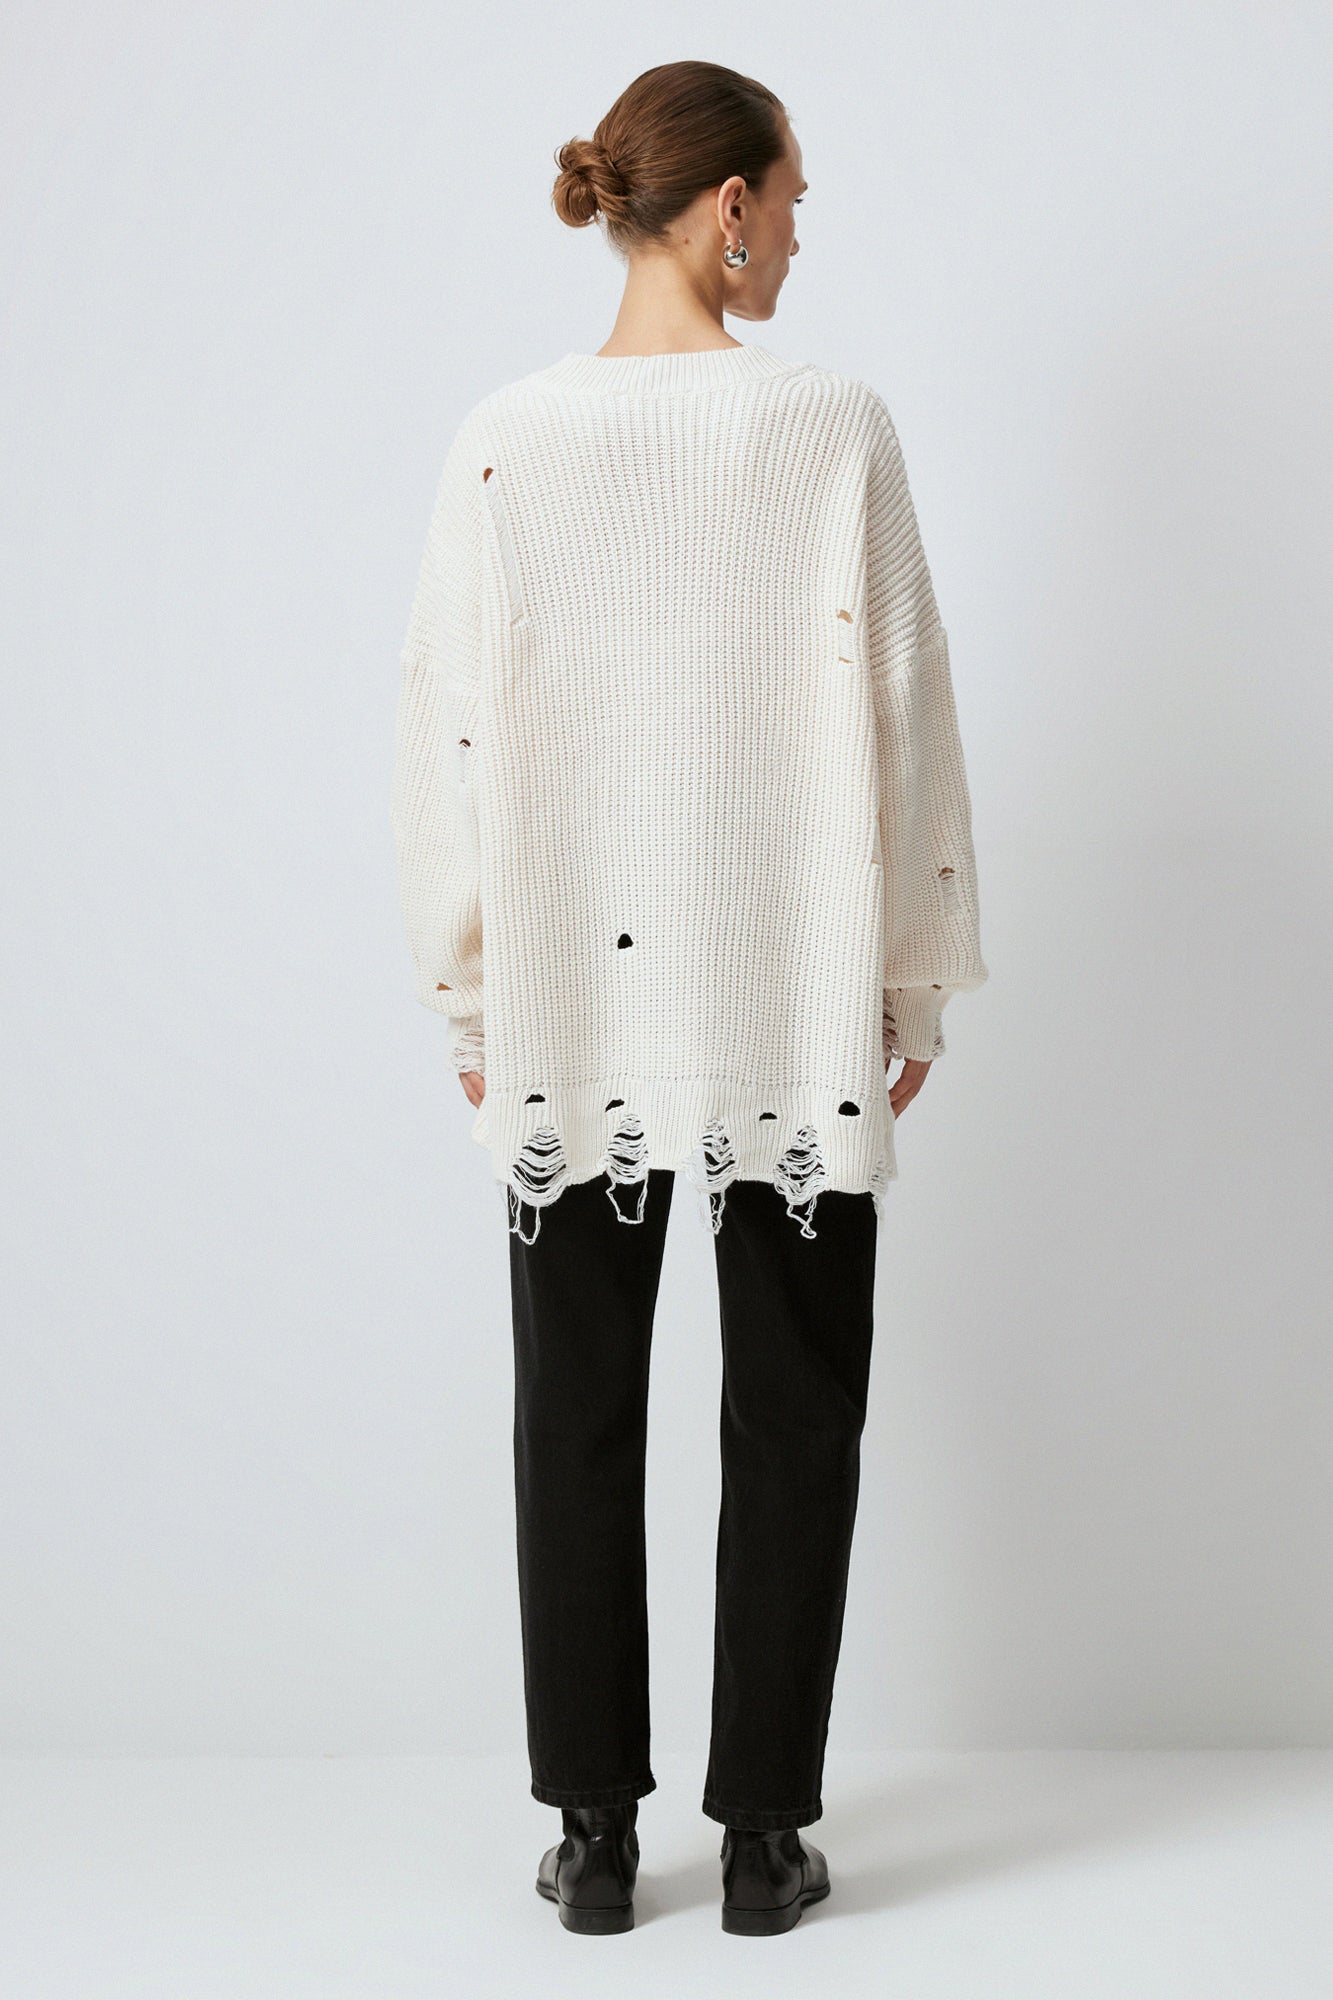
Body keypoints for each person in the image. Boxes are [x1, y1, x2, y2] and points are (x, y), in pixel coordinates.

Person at [391, 59, 988, 1937]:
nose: (799, 232)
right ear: (726, 208)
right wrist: (906, 982)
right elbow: (904, 710)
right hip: (787, 995)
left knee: (570, 1410)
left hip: (575, 1000)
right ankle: (759, 1839)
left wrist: (476, 1005)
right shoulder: (830, 426)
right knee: (795, 1410)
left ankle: (590, 1836)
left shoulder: (506, 436)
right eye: (791, 198)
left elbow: (446, 731)